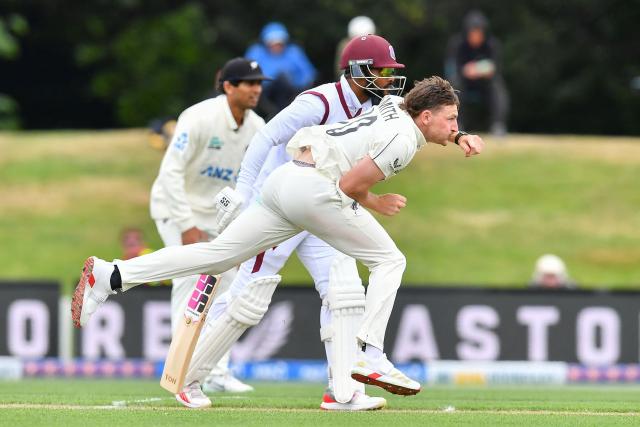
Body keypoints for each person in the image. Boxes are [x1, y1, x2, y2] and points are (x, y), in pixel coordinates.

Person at [71, 76, 484, 407]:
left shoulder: (394, 106)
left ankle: (110, 276)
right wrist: (377, 201)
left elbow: (420, 115)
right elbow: (350, 183)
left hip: (285, 180)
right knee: (389, 260)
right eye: (450, 118)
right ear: (426, 116)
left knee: (216, 257)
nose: (453, 124)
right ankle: (368, 353)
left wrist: (458, 134)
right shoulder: (403, 141)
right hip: (316, 190)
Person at [201, 34, 407, 412]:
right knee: (247, 294)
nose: (387, 79)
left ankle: (342, 390)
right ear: (359, 70)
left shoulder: (370, 110)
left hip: (322, 210)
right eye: (381, 71)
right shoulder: (319, 101)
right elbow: (267, 136)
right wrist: (245, 190)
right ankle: (197, 370)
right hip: (279, 208)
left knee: (344, 294)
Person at [148, 57, 269, 401]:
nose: (256, 89)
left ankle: (214, 370)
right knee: (189, 284)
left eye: (259, 83)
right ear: (228, 86)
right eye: (248, 83)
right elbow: (170, 171)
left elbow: (257, 181)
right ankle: (181, 372)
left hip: (218, 219)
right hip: (177, 210)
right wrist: (186, 224)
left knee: (227, 291)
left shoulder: (257, 127)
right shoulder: (198, 117)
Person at [445, 10, 509, 136]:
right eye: (473, 33)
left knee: (498, 88)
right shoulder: (457, 44)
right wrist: (466, 70)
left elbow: (495, 68)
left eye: (479, 33)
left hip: (484, 83)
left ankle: (498, 125)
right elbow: (451, 69)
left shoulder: (491, 45)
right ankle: (457, 125)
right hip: (463, 82)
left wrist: (479, 70)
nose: (476, 36)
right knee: (453, 87)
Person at [245, 22, 317, 120]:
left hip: (290, 95)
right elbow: (247, 75)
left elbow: (308, 75)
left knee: (283, 80)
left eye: (279, 43)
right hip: (263, 95)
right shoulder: (257, 52)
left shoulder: (294, 52)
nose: (276, 46)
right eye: (273, 42)